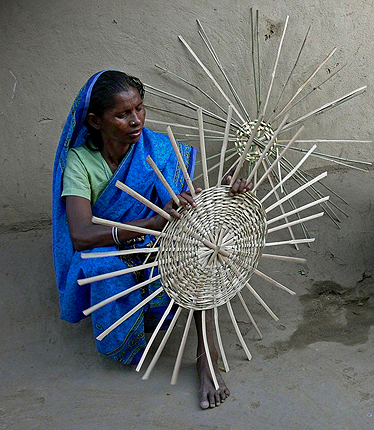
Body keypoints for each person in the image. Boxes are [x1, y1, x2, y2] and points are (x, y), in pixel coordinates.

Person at [52, 70, 252, 408]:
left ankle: (206, 357)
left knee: (200, 252)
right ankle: (130, 338)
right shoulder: (80, 161)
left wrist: (227, 194)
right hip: (108, 246)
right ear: (95, 120)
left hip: (157, 242)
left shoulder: (157, 149)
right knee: (103, 267)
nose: (136, 120)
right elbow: (81, 235)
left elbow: (185, 204)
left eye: (140, 109)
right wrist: (150, 222)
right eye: (122, 114)